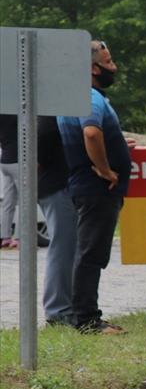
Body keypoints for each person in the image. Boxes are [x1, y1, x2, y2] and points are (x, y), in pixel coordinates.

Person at [57, 40, 134, 335]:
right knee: (91, 254)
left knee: (89, 252)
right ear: (93, 68)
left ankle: (86, 315)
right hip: (96, 188)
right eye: (109, 61)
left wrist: (117, 145)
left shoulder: (71, 97)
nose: (114, 66)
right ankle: (88, 320)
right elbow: (90, 133)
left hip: (85, 187)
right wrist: (104, 169)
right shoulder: (89, 97)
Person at [36, 117, 74, 326]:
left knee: (68, 248)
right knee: (63, 248)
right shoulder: (52, 113)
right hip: (58, 186)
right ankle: (58, 311)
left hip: (59, 184)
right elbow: (41, 142)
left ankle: (64, 308)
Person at [0, 115, 19, 248]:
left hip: (4, 161)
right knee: (25, 201)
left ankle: (5, 237)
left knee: (8, 201)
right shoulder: (16, 114)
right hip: (17, 160)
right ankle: (19, 237)